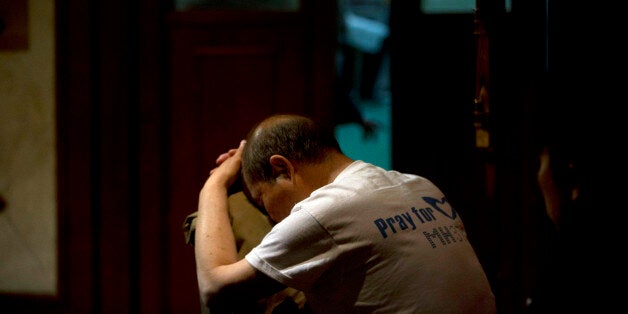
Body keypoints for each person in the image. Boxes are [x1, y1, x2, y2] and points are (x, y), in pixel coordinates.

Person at [194, 113, 497, 313]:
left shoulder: (325, 211)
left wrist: (215, 183)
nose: (271, 217)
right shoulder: (419, 186)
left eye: (262, 200)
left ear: (281, 168)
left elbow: (215, 287)